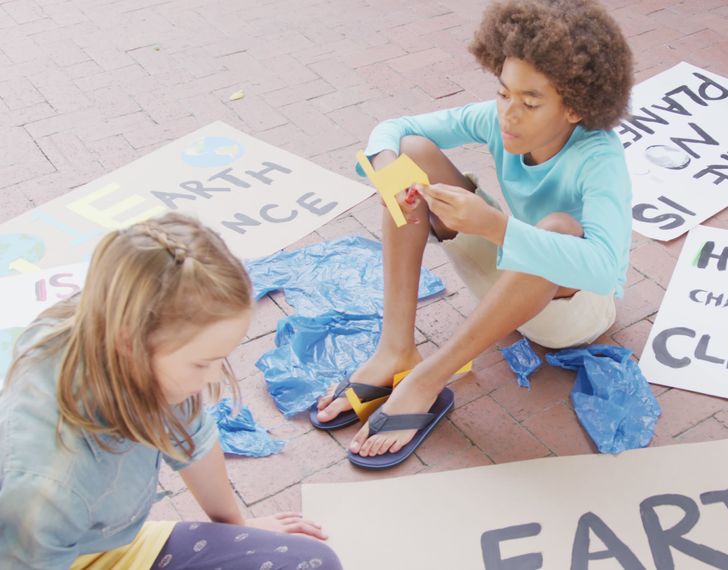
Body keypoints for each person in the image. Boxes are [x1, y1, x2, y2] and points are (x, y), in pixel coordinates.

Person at [312, 0, 635, 467]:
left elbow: (607, 273)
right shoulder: (495, 117)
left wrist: (496, 227)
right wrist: (388, 168)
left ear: (575, 107)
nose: (509, 114)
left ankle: (425, 380)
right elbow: (395, 129)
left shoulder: (600, 157)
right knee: (413, 152)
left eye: (530, 101)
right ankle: (395, 350)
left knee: (560, 229)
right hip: (509, 281)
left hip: (570, 316)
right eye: (504, 93)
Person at [0, 213, 341, 569]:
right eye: (200, 364)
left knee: (313, 562)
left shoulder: (134, 330)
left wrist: (237, 529)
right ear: (129, 344)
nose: (210, 379)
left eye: (218, 359)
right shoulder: (48, 481)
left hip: (108, 544)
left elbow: (195, 438)